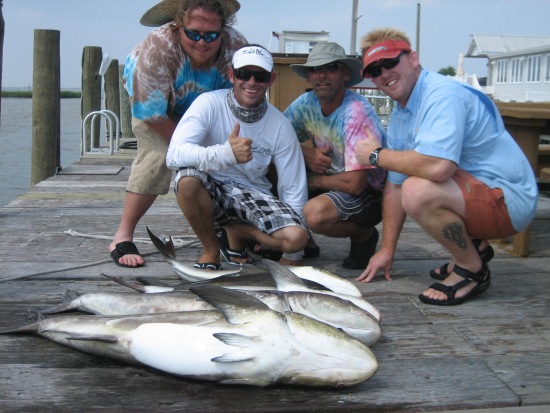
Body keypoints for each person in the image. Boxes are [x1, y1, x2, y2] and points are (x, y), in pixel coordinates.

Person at [355, 28, 538, 305]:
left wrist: (375, 155)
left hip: (511, 201)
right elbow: (393, 185)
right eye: (374, 70)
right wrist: (386, 250)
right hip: (481, 193)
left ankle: (472, 269)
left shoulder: (443, 95)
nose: (384, 73)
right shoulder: (401, 114)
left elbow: (438, 167)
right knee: (407, 184)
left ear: (413, 59)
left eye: (390, 62)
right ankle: (473, 247)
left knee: (417, 190)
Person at [109, 0, 247, 268]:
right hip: (156, 106)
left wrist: (221, 149)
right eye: (193, 33)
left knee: (228, 156)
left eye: (211, 35)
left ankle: (227, 228)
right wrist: (190, 148)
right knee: (159, 156)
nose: (202, 42)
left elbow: (242, 94)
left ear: (223, 30)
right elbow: (153, 115)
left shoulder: (236, 47)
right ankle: (122, 235)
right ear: (177, 26)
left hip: (207, 105)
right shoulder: (156, 50)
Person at [166, 44, 309, 269]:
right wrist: (225, 154)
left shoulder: (281, 125)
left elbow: (293, 189)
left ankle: (239, 232)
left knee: (296, 238)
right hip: (210, 189)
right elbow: (174, 155)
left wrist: (295, 255)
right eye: (244, 73)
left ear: (271, 79)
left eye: (260, 76)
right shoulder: (208, 103)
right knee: (187, 180)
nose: (251, 82)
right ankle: (211, 251)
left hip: (253, 196)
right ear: (232, 75)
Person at [284, 42, 387, 269]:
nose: (321, 75)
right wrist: (307, 152)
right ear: (308, 76)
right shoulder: (305, 103)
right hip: (332, 179)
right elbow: (273, 139)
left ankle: (364, 234)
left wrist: (312, 180)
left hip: (369, 193)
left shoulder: (356, 114)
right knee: (269, 170)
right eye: (314, 69)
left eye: (330, 68)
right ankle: (303, 241)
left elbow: (355, 184)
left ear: (345, 73)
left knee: (315, 214)